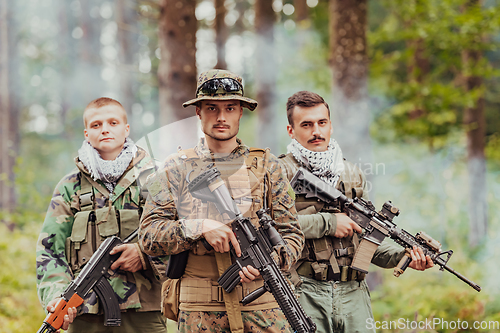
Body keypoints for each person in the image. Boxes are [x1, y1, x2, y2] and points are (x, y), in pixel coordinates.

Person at [139, 69, 304, 333]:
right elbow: (148, 236)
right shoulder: (174, 168)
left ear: (241, 111)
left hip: (263, 309)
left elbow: (292, 234)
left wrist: (270, 262)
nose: (221, 116)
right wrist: (198, 227)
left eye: (230, 107)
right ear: (198, 112)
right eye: (211, 108)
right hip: (200, 313)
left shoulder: (269, 166)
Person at [278, 91, 434, 333]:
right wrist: (328, 222)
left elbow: (366, 242)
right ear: (291, 130)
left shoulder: (351, 174)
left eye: (322, 123)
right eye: (306, 125)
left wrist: (404, 257)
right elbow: (271, 229)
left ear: (331, 125)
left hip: (354, 294)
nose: (316, 131)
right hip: (304, 291)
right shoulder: (278, 173)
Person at [36, 97, 168, 333]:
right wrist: (57, 296)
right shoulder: (70, 186)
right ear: (87, 133)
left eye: (113, 122)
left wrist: (144, 254)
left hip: (144, 313)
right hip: (85, 314)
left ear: (126, 129)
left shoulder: (155, 178)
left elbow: (180, 233)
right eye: (96, 125)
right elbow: (50, 249)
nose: (105, 129)